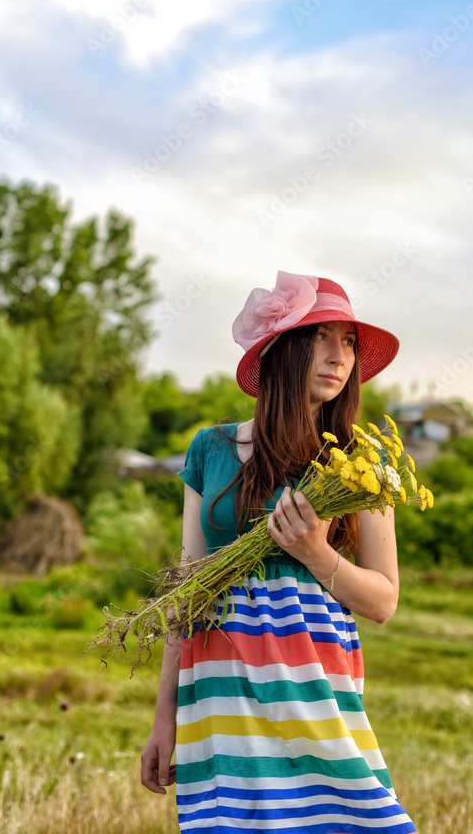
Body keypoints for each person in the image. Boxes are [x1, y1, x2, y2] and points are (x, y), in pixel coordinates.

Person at [140, 270, 418, 834]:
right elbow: (187, 589)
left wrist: (318, 554)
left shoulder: (363, 465)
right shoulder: (210, 448)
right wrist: (164, 716)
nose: (339, 356)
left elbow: (384, 600)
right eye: (320, 338)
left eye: (348, 342)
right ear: (283, 350)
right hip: (219, 690)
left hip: (315, 689)